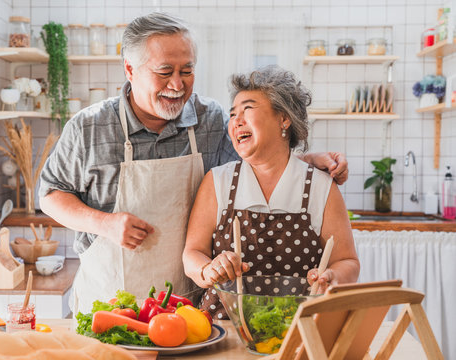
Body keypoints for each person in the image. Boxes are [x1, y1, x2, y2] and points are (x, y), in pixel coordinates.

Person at [39, 13, 349, 315]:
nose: (178, 84)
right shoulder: (89, 127)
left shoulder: (210, 119)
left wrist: (304, 163)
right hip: (109, 305)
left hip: (187, 306)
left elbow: (253, 166)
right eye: (165, 71)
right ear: (130, 69)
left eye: (186, 70)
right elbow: (50, 195)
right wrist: (103, 223)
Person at [182, 66, 360, 319]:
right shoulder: (218, 181)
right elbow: (192, 254)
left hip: (297, 329)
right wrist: (207, 269)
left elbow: (348, 262)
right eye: (233, 114)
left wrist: (332, 278)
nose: (236, 121)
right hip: (224, 326)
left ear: (283, 118)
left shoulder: (320, 186)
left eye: (248, 109)